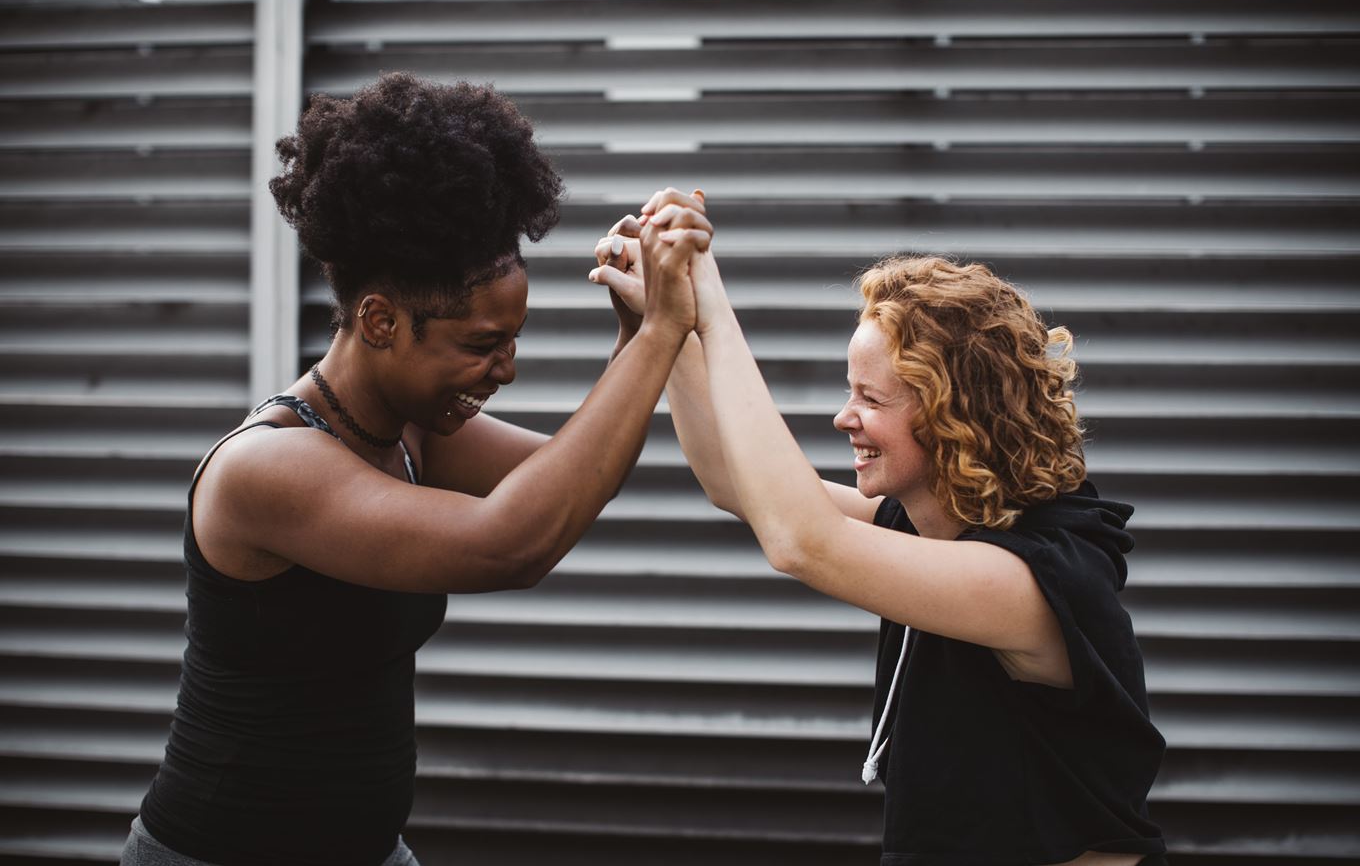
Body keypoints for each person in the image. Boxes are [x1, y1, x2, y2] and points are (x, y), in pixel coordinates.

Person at [121, 75, 709, 866]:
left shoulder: (411, 433)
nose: (505, 370)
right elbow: (510, 543)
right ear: (380, 320)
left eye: (513, 342)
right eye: (481, 345)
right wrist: (661, 334)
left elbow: (573, 477)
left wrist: (634, 335)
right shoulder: (266, 468)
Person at [591, 189, 1168, 866]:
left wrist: (714, 310)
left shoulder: (1030, 581)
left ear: (954, 416)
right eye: (849, 390)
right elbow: (730, 478)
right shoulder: (931, 527)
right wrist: (670, 321)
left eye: (870, 397)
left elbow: (801, 541)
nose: (844, 417)